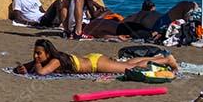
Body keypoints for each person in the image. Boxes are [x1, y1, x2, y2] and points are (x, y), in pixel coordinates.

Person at [13, 38, 179, 76]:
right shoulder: (52, 58)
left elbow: (42, 72)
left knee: (130, 68)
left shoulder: (55, 61)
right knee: (127, 63)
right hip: (93, 58)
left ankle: (166, 60)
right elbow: (30, 66)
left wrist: (34, 64)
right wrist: (23, 68)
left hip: (95, 63)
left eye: (39, 53)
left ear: (47, 54)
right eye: (35, 53)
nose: (36, 56)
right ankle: (159, 57)